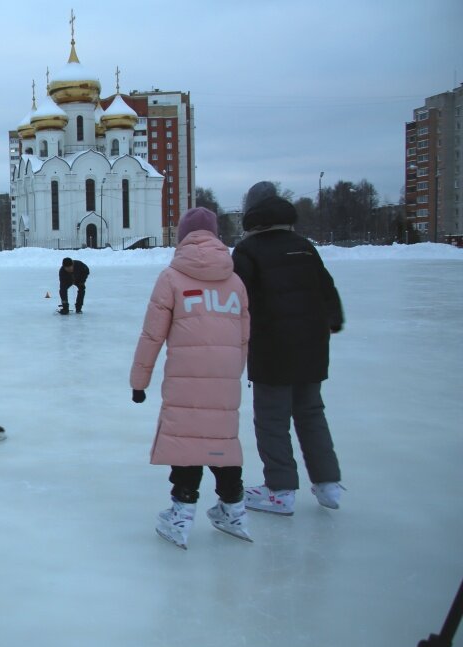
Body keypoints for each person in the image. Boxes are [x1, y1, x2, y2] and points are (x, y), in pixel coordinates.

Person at [130, 208, 251, 549]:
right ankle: (234, 508)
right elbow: (243, 336)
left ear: (183, 237)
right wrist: (234, 371)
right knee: (221, 442)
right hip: (225, 376)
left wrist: (139, 382)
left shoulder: (171, 278)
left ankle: (181, 513)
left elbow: (152, 336)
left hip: (186, 376)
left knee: (187, 442)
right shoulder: (235, 281)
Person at [232, 181, 345, 515]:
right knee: (311, 413)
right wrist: (332, 320)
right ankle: (328, 485)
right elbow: (327, 290)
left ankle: (280, 490)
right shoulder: (304, 246)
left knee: (272, 419)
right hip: (312, 346)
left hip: (272, 348)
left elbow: (238, 300)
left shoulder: (249, 251)